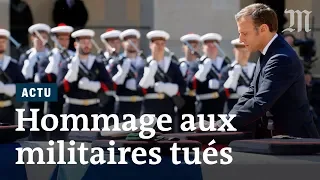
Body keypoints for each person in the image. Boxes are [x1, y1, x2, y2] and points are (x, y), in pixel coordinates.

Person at [215, 3, 319, 138]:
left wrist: (220, 124)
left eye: (245, 33)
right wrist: (222, 122)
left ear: (263, 29)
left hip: (297, 143)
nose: (241, 39)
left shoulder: (281, 58)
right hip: (279, 140)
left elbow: (260, 102)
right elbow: (250, 94)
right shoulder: (268, 53)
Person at [57, 29, 113, 131]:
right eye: (83, 42)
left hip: (93, 108)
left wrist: (95, 85)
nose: (86, 45)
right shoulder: (67, 63)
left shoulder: (97, 63)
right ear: (75, 45)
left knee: (93, 143)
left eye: (88, 42)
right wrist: (69, 77)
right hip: (73, 108)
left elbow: (109, 84)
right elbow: (59, 89)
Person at [137, 30, 186, 133]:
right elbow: (139, 90)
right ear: (150, 45)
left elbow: (182, 87)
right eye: (156, 44)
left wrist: (168, 87)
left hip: (167, 107)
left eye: (162, 44)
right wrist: (149, 73)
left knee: (167, 140)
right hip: (149, 108)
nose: (159, 47)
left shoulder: (173, 66)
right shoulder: (144, 65)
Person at [38, 23, 74, 140]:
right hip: (54, 102)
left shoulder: (74, 56)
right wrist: (53, 63)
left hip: (72, 101)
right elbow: (43, 79)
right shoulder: (47, 57)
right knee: (55, 137)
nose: (64, 42)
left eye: (66, 39)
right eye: (61, 39)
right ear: (55, 39)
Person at [19, 23, 51, 140]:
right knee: (29, 128)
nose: (40, 41)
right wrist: (29, 63)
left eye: (43, 37)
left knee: (46, 131)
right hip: (31, 96)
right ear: (33, 38)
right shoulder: (26, 56)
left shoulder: (51, 55)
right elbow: (21, 78)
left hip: (48, 97)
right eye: (38, 37)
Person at [191, 33, 229, 118]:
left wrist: (220, 84)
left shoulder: (225, 64)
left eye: (214, 45)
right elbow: (190, 84)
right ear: (203, 47)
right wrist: (202, 73)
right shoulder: (197, 63)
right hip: (203, 106)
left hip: (221, 105)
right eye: (208, 45)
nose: (211, 48)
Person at [111, 29, 144, 119]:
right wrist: (122, 74)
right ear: (123, 44)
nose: (132, 44)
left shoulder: (143, 62)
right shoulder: (117, 61)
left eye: (134, 42)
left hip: (140, 104)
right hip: (123, 105)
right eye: (129, 42)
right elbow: (112, 83)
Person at [222, 38, 256, 113]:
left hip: (250, 110)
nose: (244, 54)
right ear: (234, 51)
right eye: (240, 51)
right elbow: (221, 93)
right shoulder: (227, 69)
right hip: (232, 109)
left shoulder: (256, 68)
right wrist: (233, 79)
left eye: (246, 51)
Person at [0, 29, 26, 125]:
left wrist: (12, 88)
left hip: (8, 109)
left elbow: (23, 86)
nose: (1, 44)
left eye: (3, 42)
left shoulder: (13, 64)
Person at [177, 33, 201, 131]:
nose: (192, 49)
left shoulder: (201, 64)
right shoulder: (178, 64)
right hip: (182, 101)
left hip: (197, 100)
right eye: (188, 46)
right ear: (183, 48)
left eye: (194, 46)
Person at [99, 29, 122, 115]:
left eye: (117, 42)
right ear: (106, 44)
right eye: (112, 42)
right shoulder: (100, 60)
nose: (115, 45)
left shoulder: (123, 59)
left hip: (119, 100)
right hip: (103, 99)